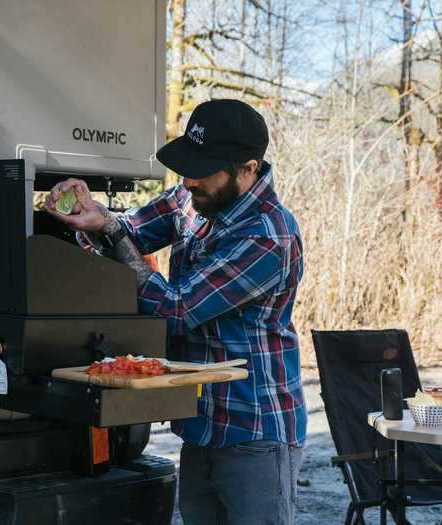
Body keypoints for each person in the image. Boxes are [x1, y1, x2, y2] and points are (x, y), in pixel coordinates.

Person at [45, 99, 306, 525]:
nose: (188, 179)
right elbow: (125, 231)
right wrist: (87, 214)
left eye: (202, 169)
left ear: (248, 168)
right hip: (202, 423)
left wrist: (111, 233)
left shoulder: (268, 236)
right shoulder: (191, 198)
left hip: (254, 431)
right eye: (187, 165)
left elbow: (178, 308)